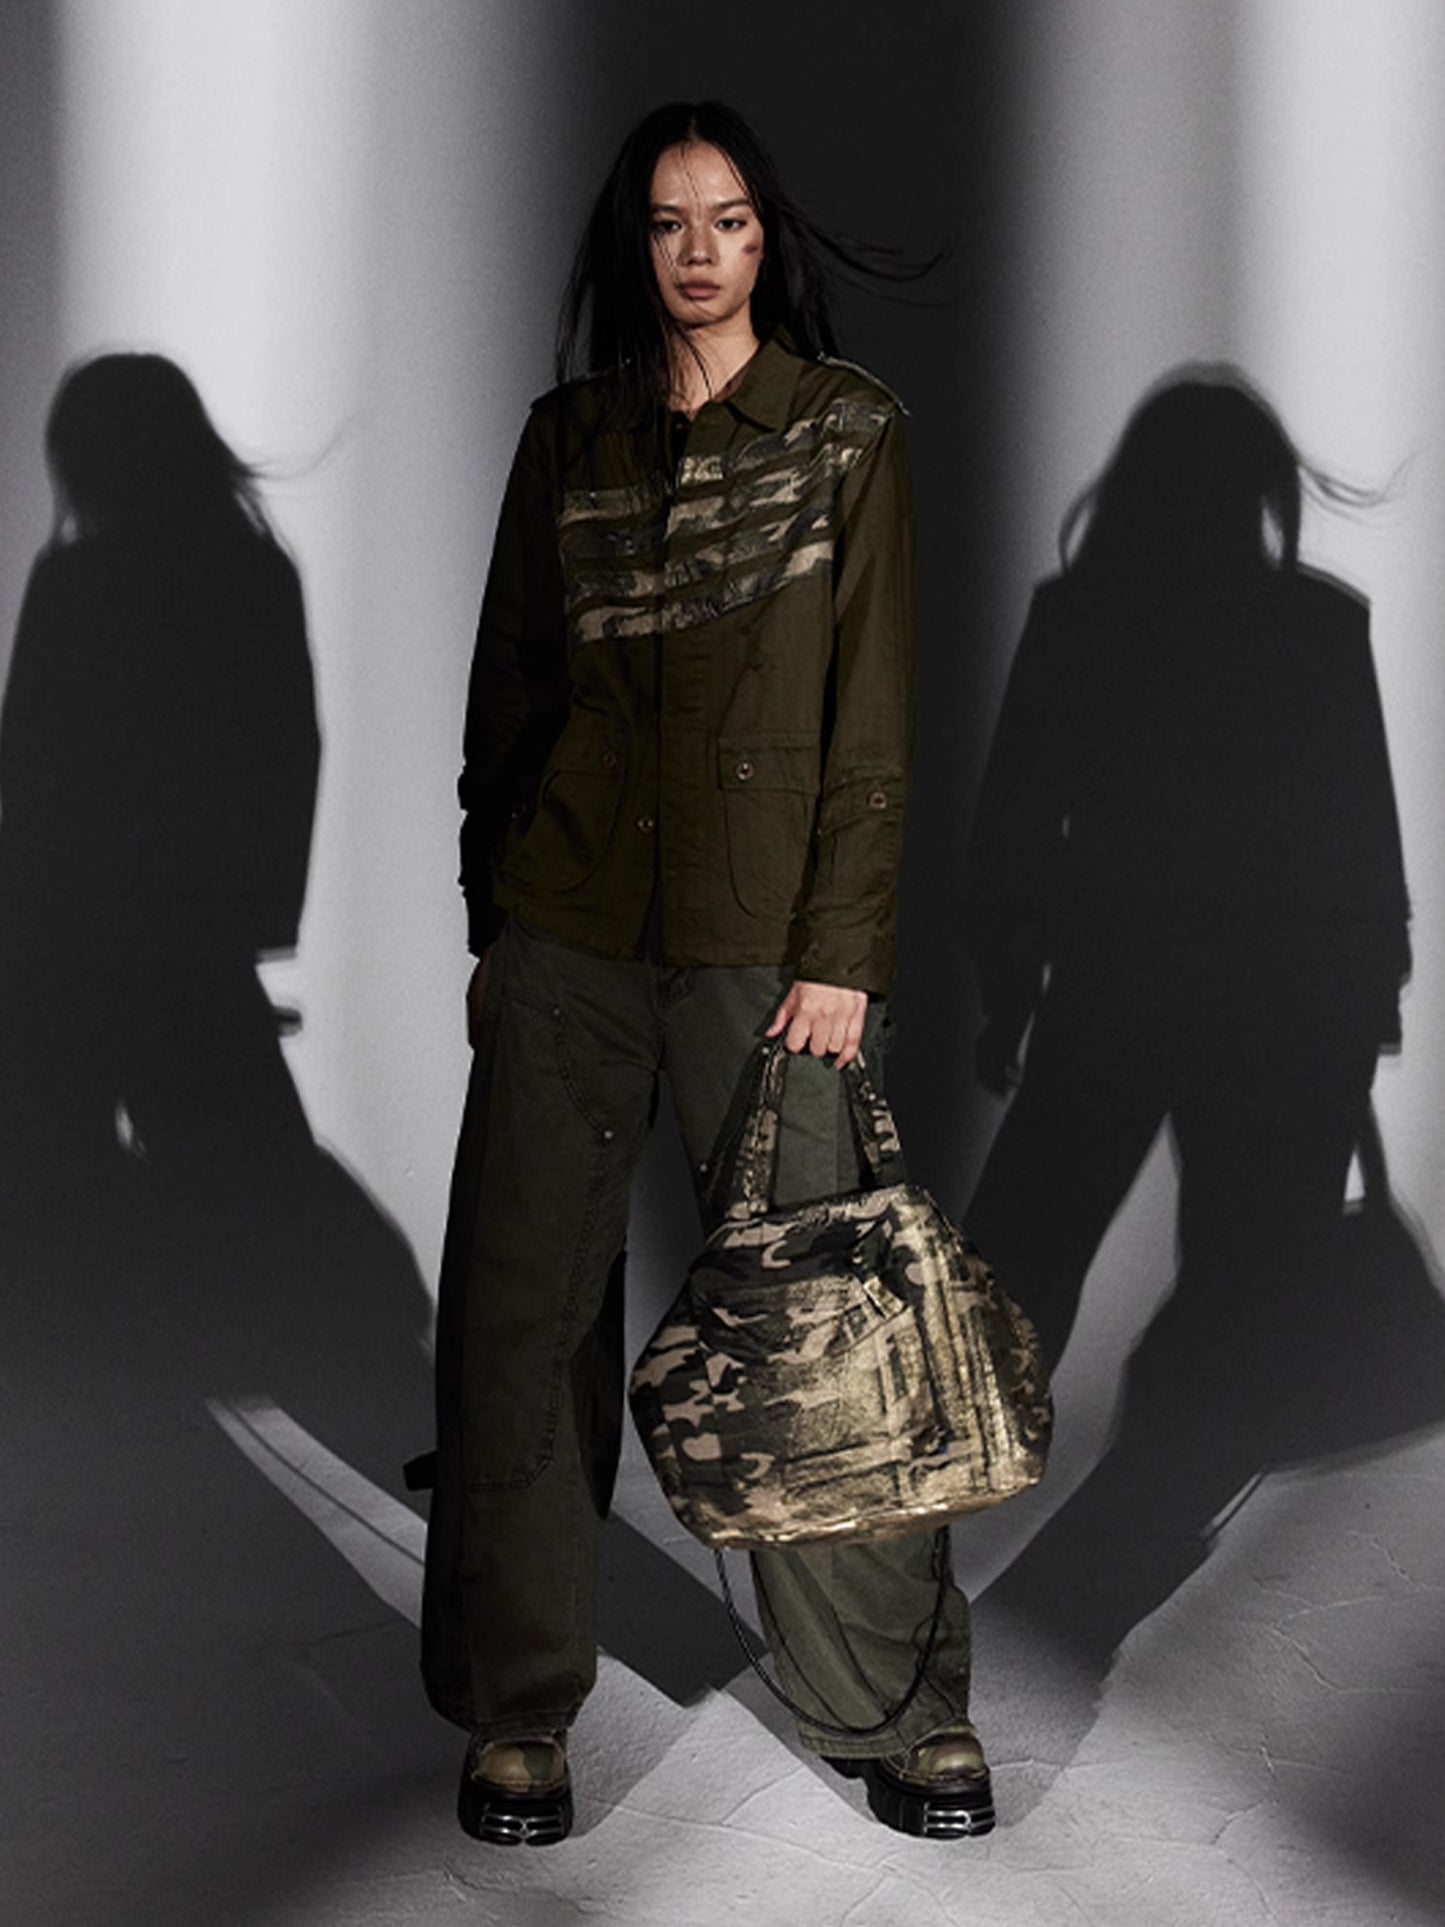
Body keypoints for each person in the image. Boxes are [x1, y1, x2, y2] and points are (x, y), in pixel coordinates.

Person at [421, 101, 987, 1846]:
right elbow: (510, 696)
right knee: (521, 1318)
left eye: (727, 220)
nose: (697, 251)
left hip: (766, 947)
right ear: (635, 242)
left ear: (766, 241)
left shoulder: (844, 433)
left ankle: (902, 1708)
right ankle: (518, 1709)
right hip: (570, 932)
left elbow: (872, 721)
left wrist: (844, 954)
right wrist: (492, 922)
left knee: (817, 1316)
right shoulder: (569, 440)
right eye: (669, 222)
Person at [963, 366, 1411, 1378]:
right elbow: (1356, 837)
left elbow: (1014, 825)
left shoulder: (1077, 620)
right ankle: (1170, 1464)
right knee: (1239, 1302)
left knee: (1009, 1284)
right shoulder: (1316, 625)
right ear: (1259, 490)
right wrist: (1367, 999)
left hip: (1110, 988)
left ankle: (944, 1465)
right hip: (1278, 1006)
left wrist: (1007, 991)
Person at [0, 353, 318, 1225]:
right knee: (259, 1215)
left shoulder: (72, 582)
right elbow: (288, 755)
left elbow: (26, 768)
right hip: (198, 948)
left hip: (66, 941)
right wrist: (253, 916)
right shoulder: (256, 578)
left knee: (47, 1199)